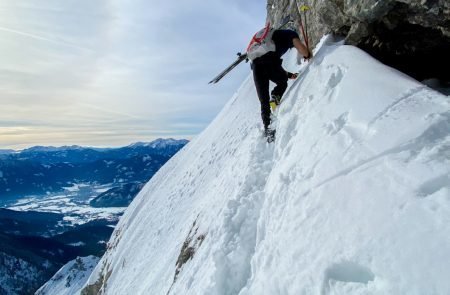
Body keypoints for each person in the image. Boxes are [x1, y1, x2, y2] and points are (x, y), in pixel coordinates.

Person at [251, 29, 311, 141]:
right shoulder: (291, 34)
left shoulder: (272, 38)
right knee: (282, 82)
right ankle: (275, 97)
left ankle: (268, 130)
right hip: (270, 62)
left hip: (256, 67)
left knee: (263, 100)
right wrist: (308, 55)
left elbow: (272, 61)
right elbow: (300, 47)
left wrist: (288, 74)